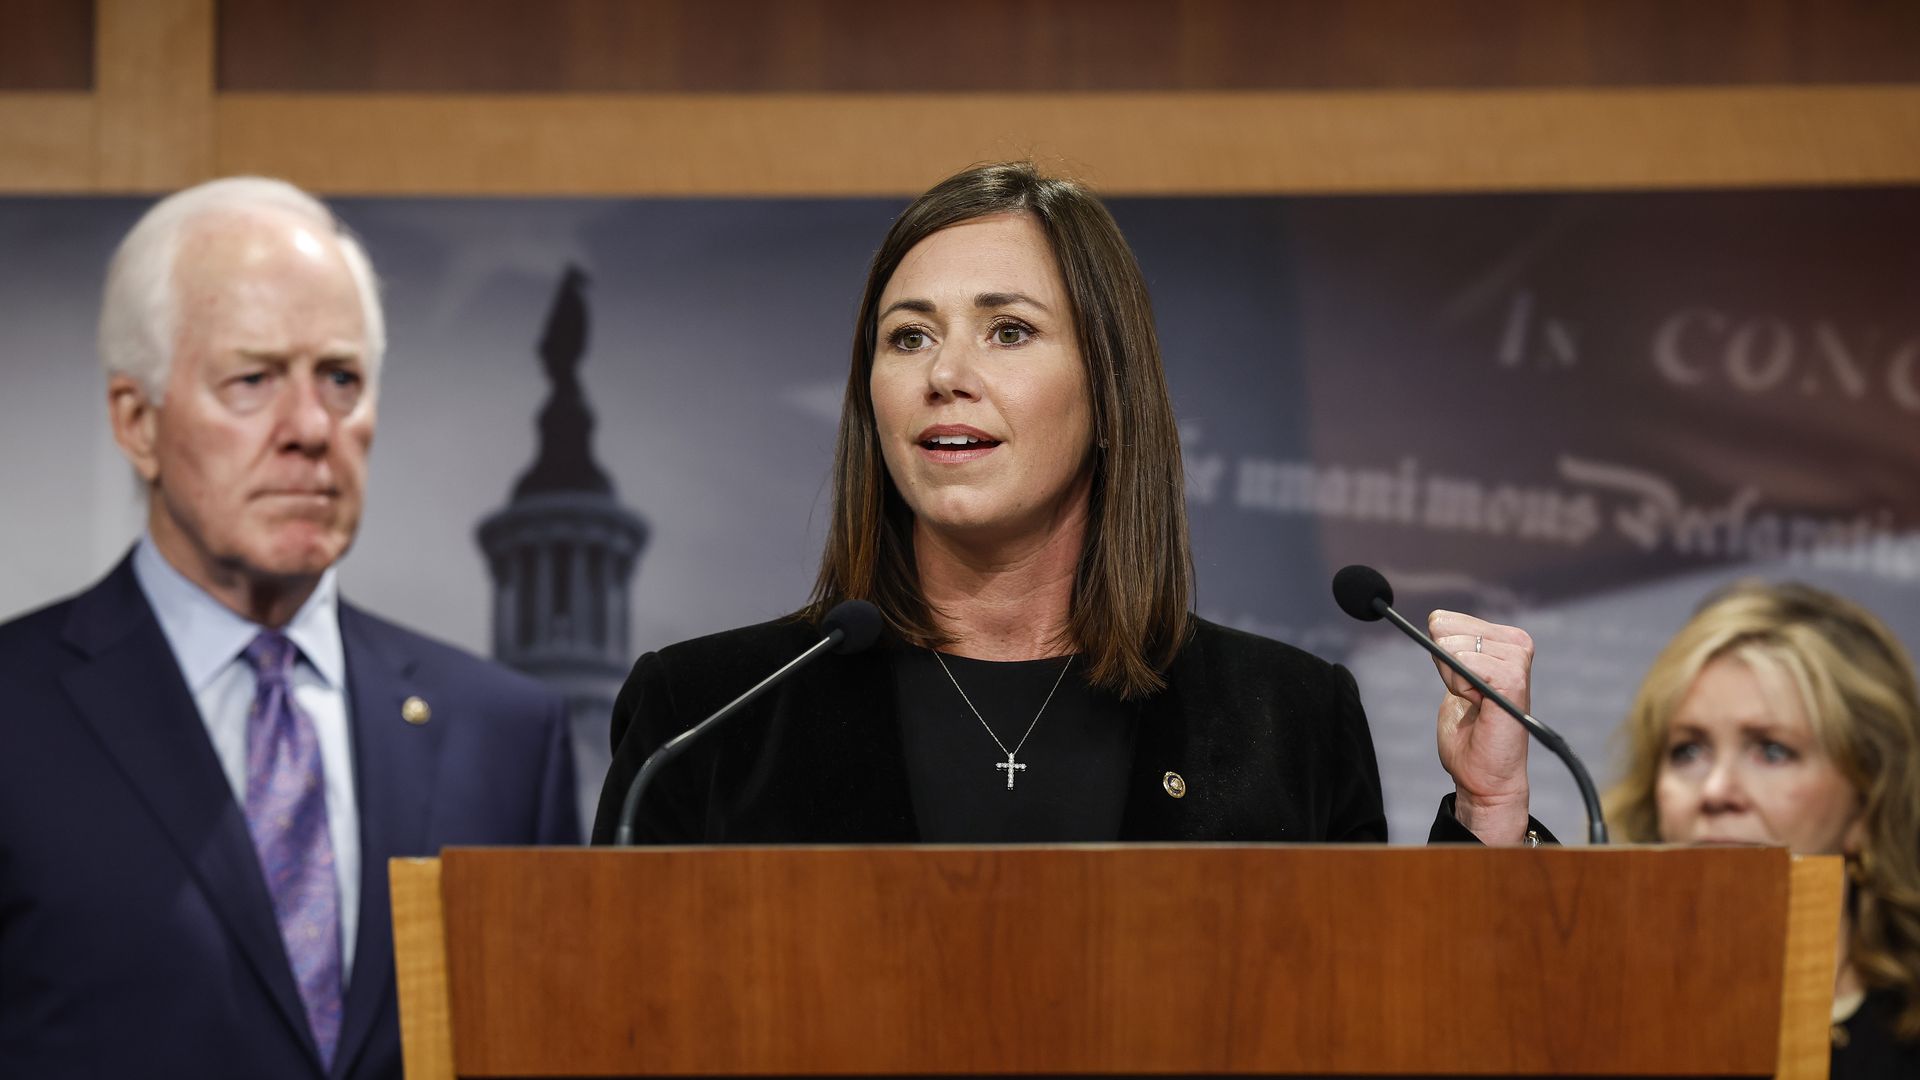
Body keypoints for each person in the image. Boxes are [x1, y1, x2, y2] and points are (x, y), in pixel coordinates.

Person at [591, 162, 1539, 847]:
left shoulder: (1283, 717)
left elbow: (1385, 1020)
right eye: (908, 337)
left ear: (1109, 390)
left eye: (1008, 331)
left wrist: (1488, 812)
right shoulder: (704, 719)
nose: (946, 375)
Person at [0, 178, 580, 1079]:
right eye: (253, 378)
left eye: (341, 378)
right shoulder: (15, 712)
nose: (311, 427)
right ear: (137, 422)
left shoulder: (507, 735)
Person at [1602, 581, 1920, 1079]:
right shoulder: (1597, 1010)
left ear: (1867, 803)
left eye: (1772, 750)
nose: (1716, 789)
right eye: (1688, 749)